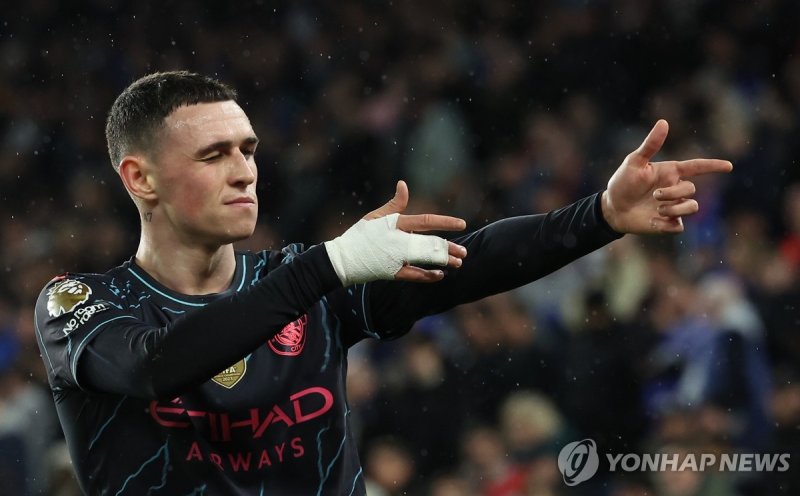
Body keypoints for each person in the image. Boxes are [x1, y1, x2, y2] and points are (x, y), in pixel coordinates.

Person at [34, 71, 732, 495]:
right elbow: (160, 366)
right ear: (139, 178)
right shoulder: (84, 305)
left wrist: (601, 215)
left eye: (247, 149)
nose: (245, 171)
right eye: (214, 155)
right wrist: (327, 265)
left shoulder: (302, 284)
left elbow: (470, 263)